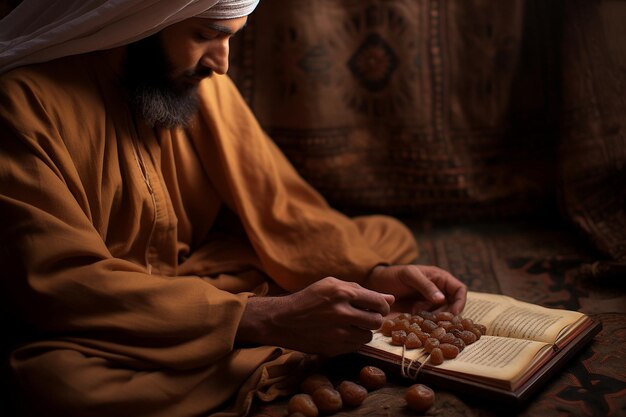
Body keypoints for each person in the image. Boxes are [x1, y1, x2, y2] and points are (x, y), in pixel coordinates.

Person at [0, 1, 467, 416]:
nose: (221, 64)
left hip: (199, 280)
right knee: (56, 383)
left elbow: (275, 203)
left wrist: (372, 273)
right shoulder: (20, 105)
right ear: (132, 22)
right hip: (98, 316)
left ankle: (277, 334)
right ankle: (285, 344)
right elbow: (56, 283)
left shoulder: (195, 83)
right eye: (205, 35)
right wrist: (263, 317)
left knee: (377, 239)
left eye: (230, 37)